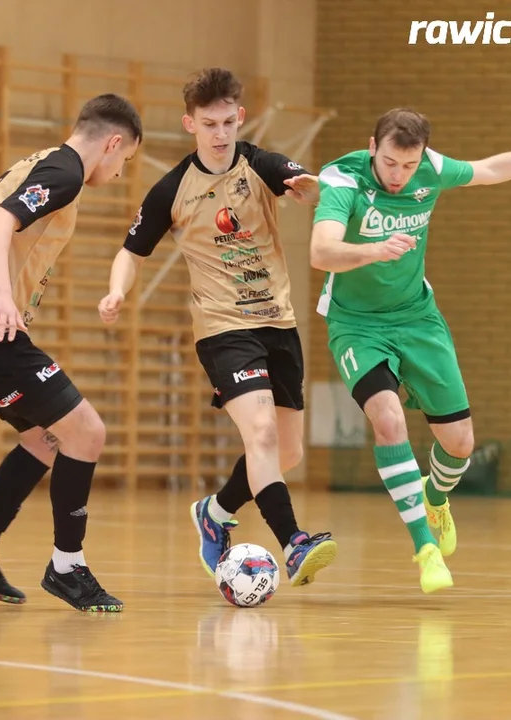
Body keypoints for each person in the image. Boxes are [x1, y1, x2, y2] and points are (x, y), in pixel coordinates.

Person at [310, 107, 511, 593]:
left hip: (417, 318)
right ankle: (425, 549)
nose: (400, 176)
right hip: (356, 324)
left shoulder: (430, 170)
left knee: (460, 443)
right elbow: (321, 252)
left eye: (410, 165)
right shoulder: (344, 179)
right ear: (373, 147)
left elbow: (490, 169)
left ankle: (435, 498)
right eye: (392, 163)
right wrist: (372, 251)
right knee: (388, 419)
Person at [98, 68, 338, 588]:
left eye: (228, 121)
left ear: (240, 117)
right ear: (191, 124)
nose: (221, 133)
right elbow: (132, 251)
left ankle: (215, 512)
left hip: (279, 322)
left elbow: (313, 189)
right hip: (223, 328)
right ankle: (294, 542)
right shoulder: (172, 190)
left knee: (287, 452)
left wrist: (313, 191)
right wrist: (118, 291)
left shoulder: (262, 165)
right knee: (262, 432)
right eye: (209, 124)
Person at [0, 94, 143, 612]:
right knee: (87, 432)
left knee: (45, 442)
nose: (119, 173)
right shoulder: (66, 173)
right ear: (113, 144)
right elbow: (0, 223)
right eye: (126, 162)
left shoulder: (42, 162)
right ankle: (67, 567)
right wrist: (2, 295)